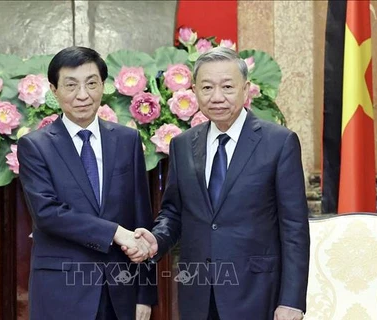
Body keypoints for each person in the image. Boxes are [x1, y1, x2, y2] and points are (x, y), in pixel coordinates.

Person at [124, 47, 310, 320]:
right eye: (207, 87)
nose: (217, 97)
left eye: (227, 86)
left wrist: (292, 301)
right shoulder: (183, 144)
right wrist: (156, 239)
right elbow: (174, 212)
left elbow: (294, 227)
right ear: (194, 91)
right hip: (197, 292)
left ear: (246, 89)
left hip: (257, 292)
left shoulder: (278, 143)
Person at [17, 46, 157, 320]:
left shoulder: (127, 140)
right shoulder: (35, 146)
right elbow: (47, 214)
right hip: (62, 291)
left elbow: (142, 217)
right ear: (54, 90)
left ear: (103, 86)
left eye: (91, 83)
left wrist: (145, 294)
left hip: (120, 290)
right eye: (71, 85)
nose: (83, 95)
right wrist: (116, 232)